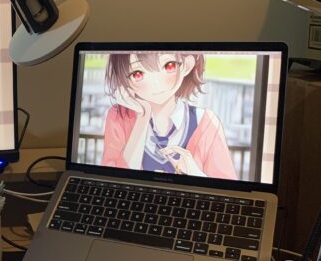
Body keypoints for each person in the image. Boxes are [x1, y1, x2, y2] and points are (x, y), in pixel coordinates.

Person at [101, 51, 237, 179]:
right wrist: (142, 118)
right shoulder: (119, 116)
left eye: (169, 66)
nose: (156, 83)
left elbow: (227, 189)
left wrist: (195, 174)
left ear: (187, 65)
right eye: (137, 74)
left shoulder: (206, 123)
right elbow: (113, 181)